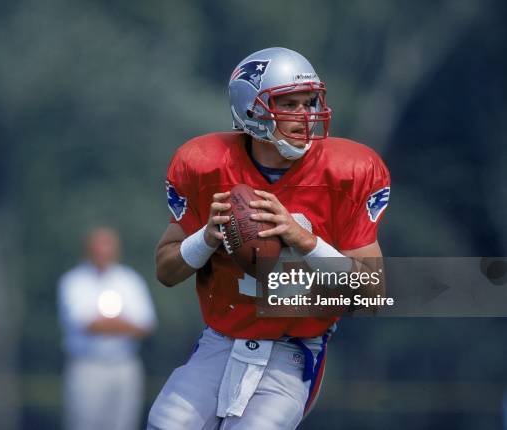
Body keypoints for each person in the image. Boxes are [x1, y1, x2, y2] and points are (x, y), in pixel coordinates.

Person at [147, 47, 390, 429]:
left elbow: (372, 291)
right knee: (166, 423)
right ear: (251, 111)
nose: (305, 116)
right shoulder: (207, 166)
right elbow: (166, 269)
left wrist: (305, 241)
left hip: (292, 351)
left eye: (309, 102)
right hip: (220, 340)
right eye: (288, 104)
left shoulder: (348, 172)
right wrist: (205, 238)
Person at [58, 227, 157, 430]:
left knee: (124, 424)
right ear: (88, 249)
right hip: (88, 366)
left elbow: (146, 324)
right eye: (99, 245)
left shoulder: (129, 280)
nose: (104, 251)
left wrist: (106, 324)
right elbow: (86, 324)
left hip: (125, 365)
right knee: (84, 424)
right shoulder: (74, 281)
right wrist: (124, 324)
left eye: (108, 245)